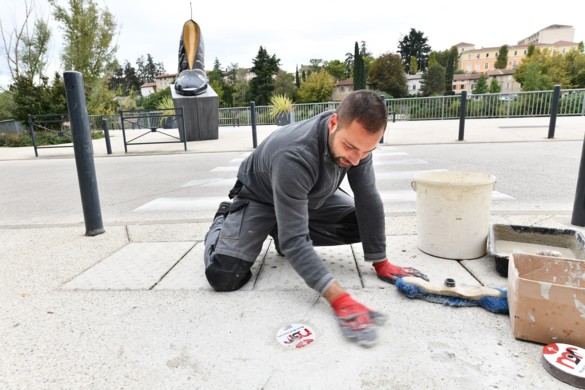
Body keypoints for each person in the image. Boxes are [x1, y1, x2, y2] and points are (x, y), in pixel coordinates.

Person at [203, 90, 427, 347]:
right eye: (350, 148)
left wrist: (381, 261)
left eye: (366, 152)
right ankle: (225, 219)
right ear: (333, 123)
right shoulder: (294, 155)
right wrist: (339, 298)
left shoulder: (358, 143)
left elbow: (367, 196)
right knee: (224, 276)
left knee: (359, 225)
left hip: (309, 196)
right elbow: (295, 240)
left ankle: (281, 226)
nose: (355, 160)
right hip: (260, 197)